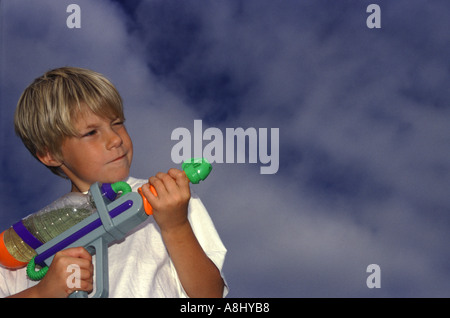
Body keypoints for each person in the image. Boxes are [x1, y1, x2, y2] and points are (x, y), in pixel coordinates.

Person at [0, 67, 227, 298]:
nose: (115, 139)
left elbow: (210, 296)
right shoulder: (25, 239)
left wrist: (175, 226)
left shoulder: (169, 199)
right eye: (91, 132)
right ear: (50, 155)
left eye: (117, 123)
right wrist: (42, 293)